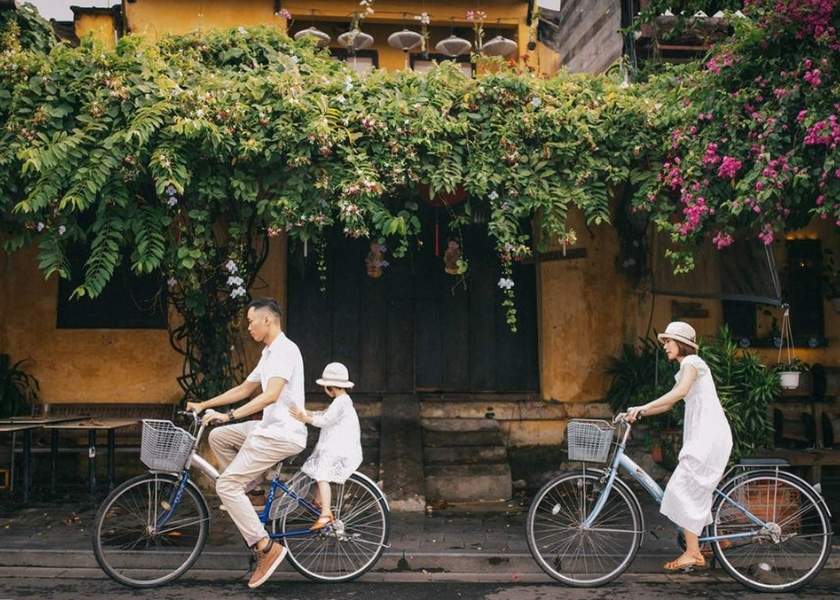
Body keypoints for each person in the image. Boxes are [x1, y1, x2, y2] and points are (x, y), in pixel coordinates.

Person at [185, 297, 307, 589]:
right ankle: (254, 493)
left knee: (226, 485)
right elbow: (245, 388)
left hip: (282, 434)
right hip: (267, 428)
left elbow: (270, 395)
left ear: (268, 320)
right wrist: (205, 404)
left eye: (251, 321)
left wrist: (229, 415)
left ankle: (266, 547)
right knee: (219, 436)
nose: (248, 327)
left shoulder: (285, 351)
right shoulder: (269, 353)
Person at [625, 321, 732, 572]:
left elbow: (679, 392)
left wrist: (643, 406)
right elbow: (669, 403)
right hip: (704, 435)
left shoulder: (692, 363)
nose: (665, 346)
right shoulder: (687, 367)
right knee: (694, 488)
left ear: (682, 344)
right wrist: (639, 411)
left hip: (709, 436)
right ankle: (717, 539)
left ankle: (693, 552)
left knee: (682, 487)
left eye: (668, 342)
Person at [289, 362, 363, 530]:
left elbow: (325, 420)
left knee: (322, 475)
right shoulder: (343, 400)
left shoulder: (341, 402)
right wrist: (306, 412)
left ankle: (326, 513)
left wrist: (305, 418)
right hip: (336, 445)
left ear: (330, 388)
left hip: (338, 447)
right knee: (319, 471)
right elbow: (325, 414)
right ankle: (319, 501)